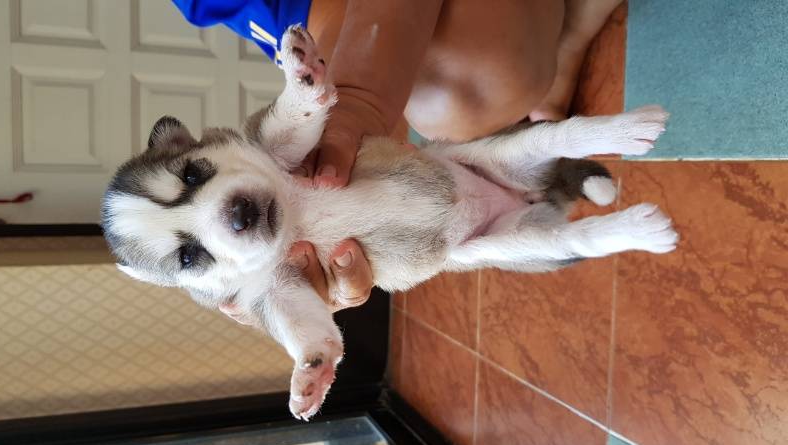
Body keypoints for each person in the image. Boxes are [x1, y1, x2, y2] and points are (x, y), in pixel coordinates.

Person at [174, 0, 624, 314]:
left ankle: (567, 35)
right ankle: (552, 43)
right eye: (191, 255)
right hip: (314, 31)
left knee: (461, 94)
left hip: (332, 36)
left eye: (192, 177)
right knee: (451, 114)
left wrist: (361, 100)